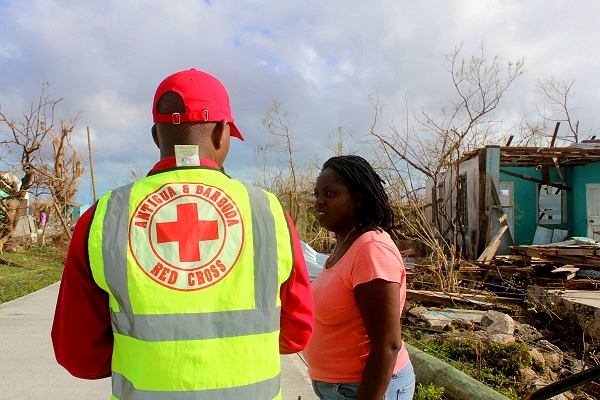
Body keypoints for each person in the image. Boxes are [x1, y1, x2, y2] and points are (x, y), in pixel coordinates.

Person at [51, 68, 314, 399]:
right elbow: (296, 334)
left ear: (156, 136)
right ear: (222, 133)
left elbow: (80, 356)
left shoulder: (103, 217)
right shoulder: (268, 212)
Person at [304, 155, 414, 400]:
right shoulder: (346, 244)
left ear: (358, 199)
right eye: (317, 194)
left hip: (365, 389)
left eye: (330, 194)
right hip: (340, 388)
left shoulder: (371, 250)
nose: (319, 202)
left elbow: (388, 345)